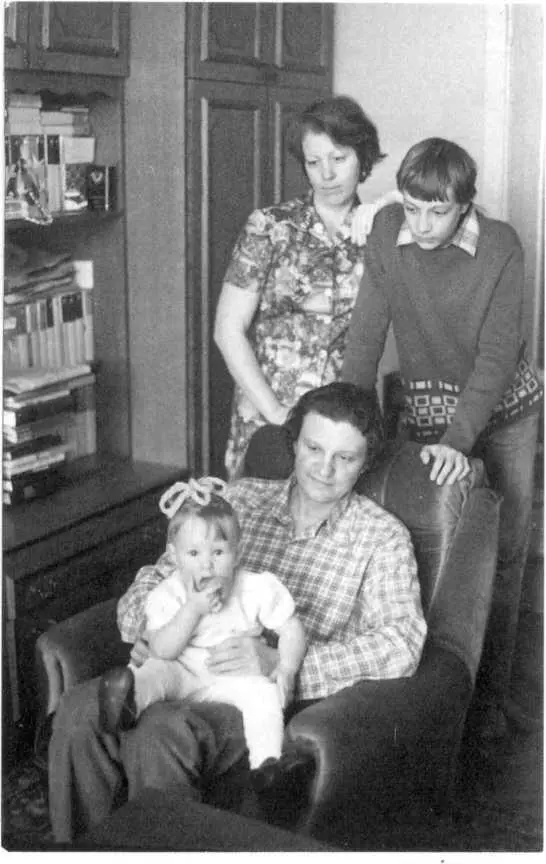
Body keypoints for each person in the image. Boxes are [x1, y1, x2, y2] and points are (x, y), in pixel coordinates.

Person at [49, 382, 427, 842]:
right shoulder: (240, 500)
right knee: (80, 708)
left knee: (160, 731)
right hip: (175, 663)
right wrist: (150, 629)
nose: (324, 469)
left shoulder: (382, 537)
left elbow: (402, 642)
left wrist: (280, 662)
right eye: (313, 448)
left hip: (258, 699)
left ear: (365, 463)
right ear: (294, 442)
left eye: (345, 458)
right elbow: (155, 577)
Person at [342, 137, 543, 740]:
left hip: (504, 412)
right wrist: (347, 416)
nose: (423, 225)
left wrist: (458, 440)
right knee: (432, 547)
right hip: (429, 409)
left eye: (438, 211)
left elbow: (498, 355)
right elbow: (367, 331)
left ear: (465, 205)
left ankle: (489, 703)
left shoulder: (501, 245)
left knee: (504, 550)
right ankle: (433, 705)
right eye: (412, 208)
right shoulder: (387, 232)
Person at [214, 94, 388, 480]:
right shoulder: (270, 227)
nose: (327, 174)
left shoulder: (381, 230)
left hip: (344, 428)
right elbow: (228, 329)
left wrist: (389, 202)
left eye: (339, 158)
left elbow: (447, 207)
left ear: (363, 159)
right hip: (269, 416)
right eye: (313, 162)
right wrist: (277, 413)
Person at [98, 477, 307, 771]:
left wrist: (287, 667)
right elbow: (163, 650)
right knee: (153, 672)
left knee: (264, 695)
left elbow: (291, 627)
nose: (206, 564)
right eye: (194, 553)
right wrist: (193, 609)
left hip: (231, 678)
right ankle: (126, 702)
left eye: (218, 552)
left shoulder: (255, 587)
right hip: (180, 670)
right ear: (174, 556)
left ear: (237, 553)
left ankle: (267, 765)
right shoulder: (168, 593)